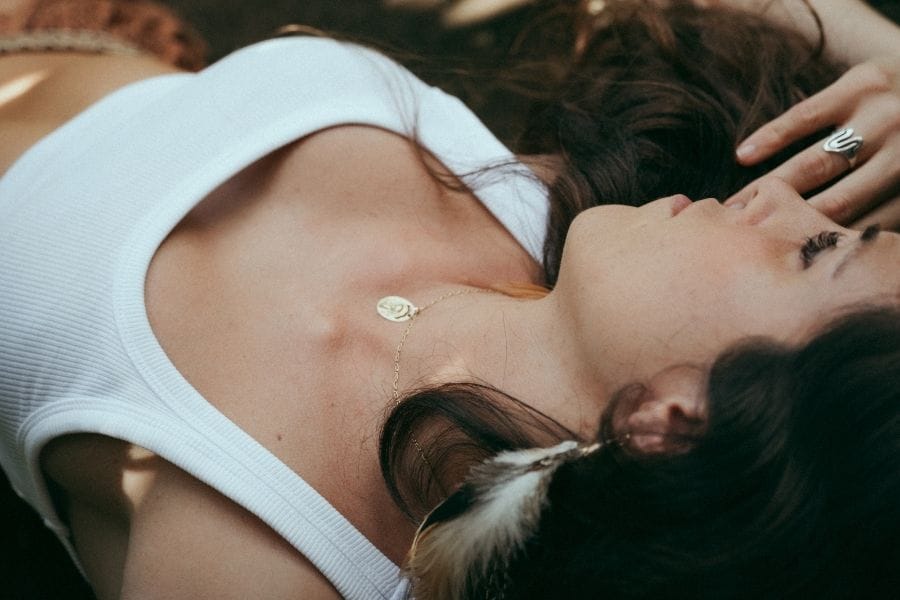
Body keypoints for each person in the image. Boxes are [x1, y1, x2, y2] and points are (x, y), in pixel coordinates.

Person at [0, 1, 898, 599]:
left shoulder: (269, 558)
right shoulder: (623, 194)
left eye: (818, 250)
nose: (780, 199)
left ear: (673, 423)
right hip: (85, 32)